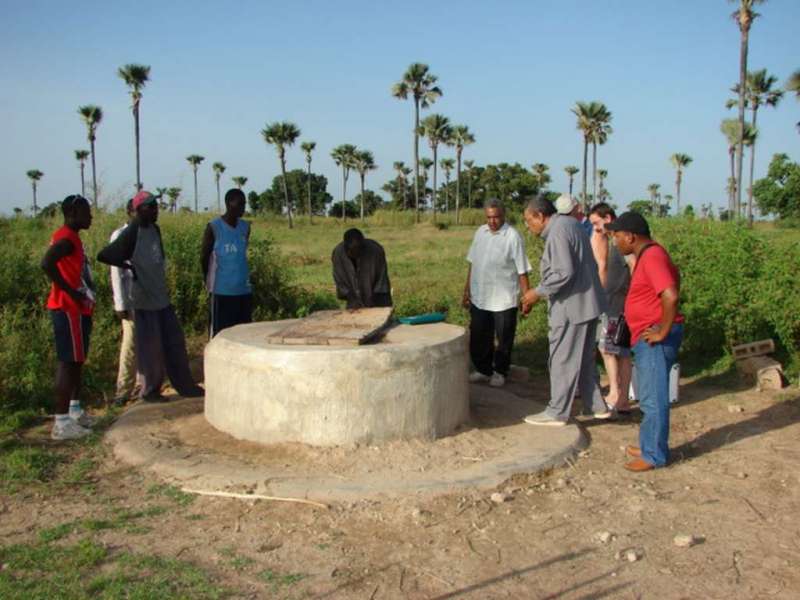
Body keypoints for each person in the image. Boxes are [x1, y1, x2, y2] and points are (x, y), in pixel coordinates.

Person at [97, 190, 203, 401]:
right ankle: (150, 390)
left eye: (156, 206)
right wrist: (128, 265)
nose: (155, 211)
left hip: (161, 296)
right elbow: (105, 255)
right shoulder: (132, 231)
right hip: (143, 300)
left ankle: (184, 385)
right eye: (150, 207)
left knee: (175, 342)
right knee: (150, 350)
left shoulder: (154, 229)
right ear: (138, 210)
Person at [520, 196, 611, 425]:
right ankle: (597, 406)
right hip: (588, 304)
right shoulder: (571, 224)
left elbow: (563, 272)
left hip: (572, 307)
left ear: (540, 216)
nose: (527, 226)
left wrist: (536, 292)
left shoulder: (558, 231)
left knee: (562, 358)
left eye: (528, 220)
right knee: (584, 359)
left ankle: (557, 411)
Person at [606, 212, 683, 471]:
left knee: (653, 397)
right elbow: (676, 278)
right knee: (649, 394)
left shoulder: (652, 257)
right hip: (647, 334)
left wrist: (662, 330)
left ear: (630, 236)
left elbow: (670, 295)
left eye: (617, 236)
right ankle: (649, 444)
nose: (615, 241)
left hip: (654, 338)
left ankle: (654, 455)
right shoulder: (650, 255)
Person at [41, 194, 96, 439]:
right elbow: (46, 264)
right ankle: (61, 422)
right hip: (67, 308)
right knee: (67, 362)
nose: (91, 216)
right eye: (86, 212)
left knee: (76, 360)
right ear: (73, 213)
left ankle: (74, 411)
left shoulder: (72, 237)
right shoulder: (65, 239)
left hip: (77, 308)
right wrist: (71, 291)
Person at [463, 198, 531, 388]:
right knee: (479, 336)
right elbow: (472, 263)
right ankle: (483, 369)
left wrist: (526, 297)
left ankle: (500, 371)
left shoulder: (512, 236)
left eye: (496, 217)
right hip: (480, 295)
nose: (492, 221)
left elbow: (522, 270)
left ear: (503, 216)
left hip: (504, 298)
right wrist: (466, 290)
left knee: (504, 338)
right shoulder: (480, 233)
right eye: (489, 217)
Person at [588, 203, 633, 413]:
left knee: (610, 349)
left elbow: (633, 266)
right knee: (614, 349)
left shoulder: (621, 241)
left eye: (597, 223)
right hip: (610, 304)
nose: (595, 228)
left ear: (607, 218)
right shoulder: (606, 239)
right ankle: (620, 395)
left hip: (617, 306)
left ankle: (617, 393)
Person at [201, 188, 252, 337]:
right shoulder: (214, 227)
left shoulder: (245, 227)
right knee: (220, 335)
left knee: (243, 334)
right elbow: (204, 256)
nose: (243, 207)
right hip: (222, 291)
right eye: (240, 204)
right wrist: (207, 279)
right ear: (229, 204)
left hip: (243, 290)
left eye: (244, 204)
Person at [110, 198, 140, 406]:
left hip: (148, 298)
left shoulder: (149, 234)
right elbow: (116, 273)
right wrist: (120, 304)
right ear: (130, 212)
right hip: (130, 300)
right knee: (130, 345)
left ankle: (142, 385)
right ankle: (123, 390)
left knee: (147, 344)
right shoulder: (120, 236)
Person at [332, 228, 392, 309]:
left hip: (378, 297)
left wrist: (374, 300)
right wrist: (351, 297)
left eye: (360, 249)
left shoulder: (376, 250)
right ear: (345, 247)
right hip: (353, 301)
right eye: (353, 251)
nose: (357, 254)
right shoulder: (338, 254)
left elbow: (382, 279)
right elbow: (339, 281)